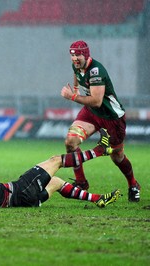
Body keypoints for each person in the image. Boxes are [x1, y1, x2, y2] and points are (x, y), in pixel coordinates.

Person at [0, 129, 121, 208]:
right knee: (55, 161)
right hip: (20, 190)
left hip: (27, 203)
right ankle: (99, 151)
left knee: (57, 182)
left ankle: (97, 199)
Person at [60, 40, 140, 202]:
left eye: (78, 56)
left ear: (86, 54)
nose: (75, 59)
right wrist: (75, 88)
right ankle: (81, 183)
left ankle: (133, 184)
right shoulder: (76, 65)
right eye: (72, 56)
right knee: (71, 142)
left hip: (111, 117)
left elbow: (97, 101)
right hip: (91, 113)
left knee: (117, 156)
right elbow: (77, 75)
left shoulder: (96, 71)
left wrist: (73, 96)